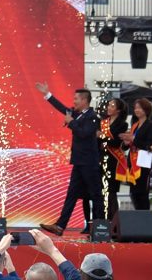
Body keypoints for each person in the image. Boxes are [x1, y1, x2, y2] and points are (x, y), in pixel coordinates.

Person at [35, 82, 103, 236]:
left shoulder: (93, 117)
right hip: (79, 162)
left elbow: (84, 133)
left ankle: (100, 228)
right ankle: (60, 226)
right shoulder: (78, 114)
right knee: (71, 194)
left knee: (95, 194)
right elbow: (62, 108)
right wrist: (47, 94)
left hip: (89, 162)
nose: (74, 102)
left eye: (76, 99)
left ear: (84, 100)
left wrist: (71, 122)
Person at [83, 98, 128, 225]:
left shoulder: (122, 125)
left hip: (113, 161)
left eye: (112, 106)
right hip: (100, 159)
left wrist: (102, 136)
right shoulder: (103, 122)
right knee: (101, 193)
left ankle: (115, 224)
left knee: (111, 193)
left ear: (118, 110)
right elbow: (98, 141)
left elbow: (116, 143)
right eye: (109, 105)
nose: (109, 107)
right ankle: (102, 223)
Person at [118, 98, 152, 211]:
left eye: (139, 108)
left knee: (142, 194)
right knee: (133, 193)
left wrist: (133, 139)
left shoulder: (150, 125)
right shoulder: (135, 125)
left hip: (143, 163)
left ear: (146, 110)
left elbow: (150, 145)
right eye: (135, 108)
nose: (136, 110)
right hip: (132, 162)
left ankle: (145, 217)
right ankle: (138, 216)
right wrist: (125, 142)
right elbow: (127, 146)